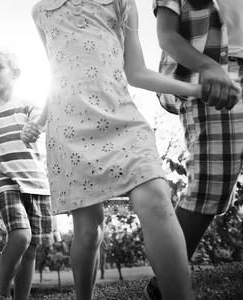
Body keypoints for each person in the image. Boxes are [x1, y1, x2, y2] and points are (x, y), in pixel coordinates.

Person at [26, 0, 204, 299]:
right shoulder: (42, 10)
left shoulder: (123, 2)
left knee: (157, 198)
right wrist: (40, 122)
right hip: (69, 127)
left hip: (121, 116)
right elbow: (56, 72)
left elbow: (136, 72)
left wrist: (196, 89)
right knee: (88, 231)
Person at [143, 0, 243, 299]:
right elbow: (167, 35)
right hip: (214, 78)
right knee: (212, 186)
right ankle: (165, 284)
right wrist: (208, 66)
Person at [0, 48, 54, 300]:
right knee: (20, 235)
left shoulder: (28, 105)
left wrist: (35, 128)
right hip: (3, 178)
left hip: (36, 182)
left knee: (31, 249)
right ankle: (2, 294)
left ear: (15, 73)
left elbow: (40, 121)